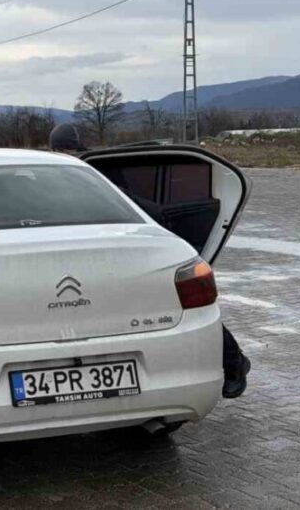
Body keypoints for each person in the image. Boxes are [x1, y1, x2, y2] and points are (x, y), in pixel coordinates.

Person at [47, 122, 251, 398]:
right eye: (59, 150)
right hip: (96, 263)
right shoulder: (54, 177)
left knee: (179, 308)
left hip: (130, 257)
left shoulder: (99, 172)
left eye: (65, 149)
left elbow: (141, 210)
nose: (63, 154)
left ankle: (234, 362)